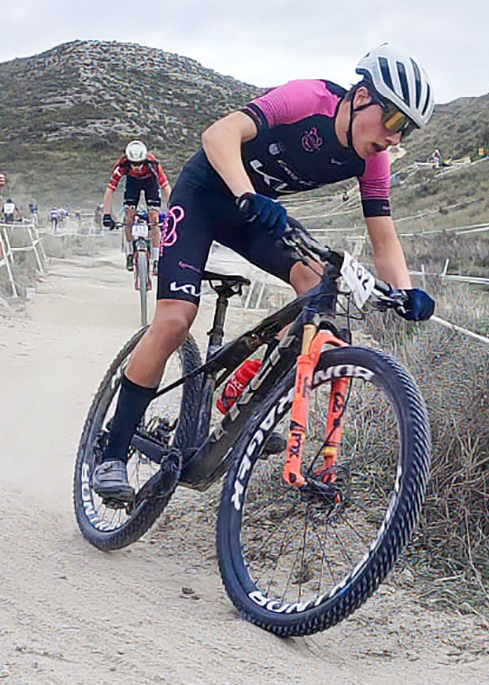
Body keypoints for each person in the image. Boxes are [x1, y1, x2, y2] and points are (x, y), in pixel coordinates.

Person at [91, 43, 437, 503]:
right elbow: (218, 135)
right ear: (361, 98)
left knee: (318, 286)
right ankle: (112, 452)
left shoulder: (374, 159)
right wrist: (246, 193)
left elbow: (383, 235)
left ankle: (243, 391)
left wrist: (406, 292)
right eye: (394, 121)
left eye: (407, 131)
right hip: (205, 196)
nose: (396, 138)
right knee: (175, 319)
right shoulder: (308, 99)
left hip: (253, 212)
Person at [102, 140, 171, 276]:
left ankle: (156, 259)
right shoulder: (122, 165)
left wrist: (174, 209)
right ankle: (129, 253)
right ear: (129, 160)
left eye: (140, 163)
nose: (137, 167)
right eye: (134, 164)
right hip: (132, 183)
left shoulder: (153, 165)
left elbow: (166, 187)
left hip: (151, 183)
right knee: (129, 217)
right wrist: (106, 214)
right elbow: (110, 189)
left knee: (154, 219)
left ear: (144, 160)